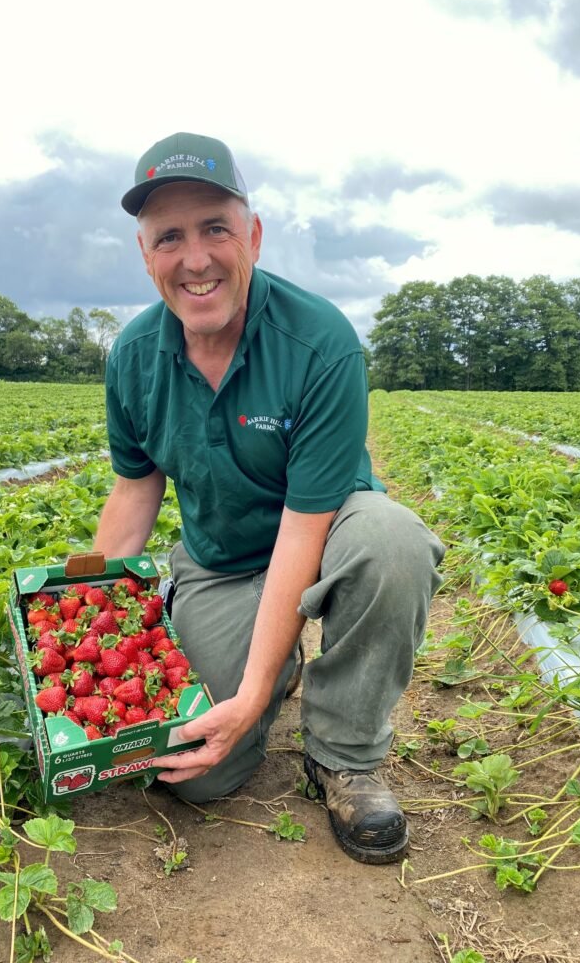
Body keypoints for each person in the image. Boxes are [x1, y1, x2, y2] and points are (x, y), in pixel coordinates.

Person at [93, 132, 445, 864]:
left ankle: (343, 754)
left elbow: (301, 533)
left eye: (215, 228)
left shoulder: (319, 343)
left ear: (251, 234)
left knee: (393, 542)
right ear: (146, 254)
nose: (195, 258)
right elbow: (135, 492)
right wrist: (80, 640)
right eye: (170, 237)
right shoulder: (133, 358)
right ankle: (276, 663)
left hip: (322, 538)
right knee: (193, 774)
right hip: (219, 562)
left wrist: (248, 696)